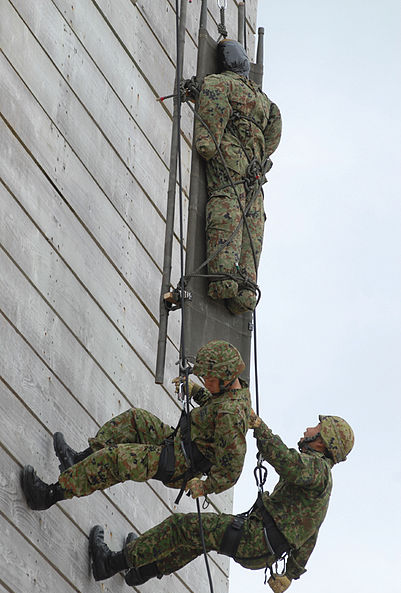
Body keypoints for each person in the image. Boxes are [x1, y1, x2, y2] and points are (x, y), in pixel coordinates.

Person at [87, 413, 354, 593]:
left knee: (184, 526)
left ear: (322, 441)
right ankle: (141, 570)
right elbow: (311, 533)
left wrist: (259, 427)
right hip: (261, 546)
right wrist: (289, 574)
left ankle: (110, 563)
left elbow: (287, 462)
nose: (308, 430)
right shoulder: (321, 484)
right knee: (196, 539)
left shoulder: (316, 471)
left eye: (315, 429)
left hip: (255, 538)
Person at [21, 340, 252, 510]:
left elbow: (232, 471)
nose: (205, 381)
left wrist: (206, 486)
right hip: (178, 444)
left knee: (115, 459)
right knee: (135, 419)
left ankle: (49, 495)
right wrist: (196, 391)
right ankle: (79, 461)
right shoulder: (230, 393)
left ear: (225, 378)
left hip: (180, 465)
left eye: (208, 380)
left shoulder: (232, 416)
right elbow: (213, 410)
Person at [194, 39, 282, 314]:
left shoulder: (220, 84)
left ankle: (225, 279)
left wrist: (209, 140)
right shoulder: (266, 102)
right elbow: (274, 134)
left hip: (233, 161)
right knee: (252, 224)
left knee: (227, 210)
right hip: (252, 172)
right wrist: (258, 157)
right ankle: (243, 289)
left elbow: (209, 131)